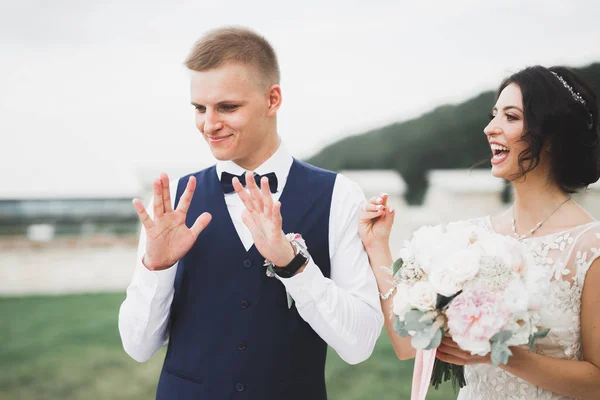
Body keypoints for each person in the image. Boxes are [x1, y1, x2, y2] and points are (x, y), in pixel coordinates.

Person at [118, 26, 383, 400]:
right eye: (199, 108)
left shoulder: (339, 196)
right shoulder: (174, 199)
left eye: (227, 107)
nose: (209, 125)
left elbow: (360, 346)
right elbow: (137, 346)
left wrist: (294, 266)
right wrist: (155, 268)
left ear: (272, 99)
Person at [359, 65, 600, 399]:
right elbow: (406, 346)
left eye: (511, 117)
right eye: (493, 115)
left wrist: (500, 355)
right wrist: (378, 249)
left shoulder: (589, 246)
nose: (490, 128)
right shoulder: (470, 240)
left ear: (551, 136)